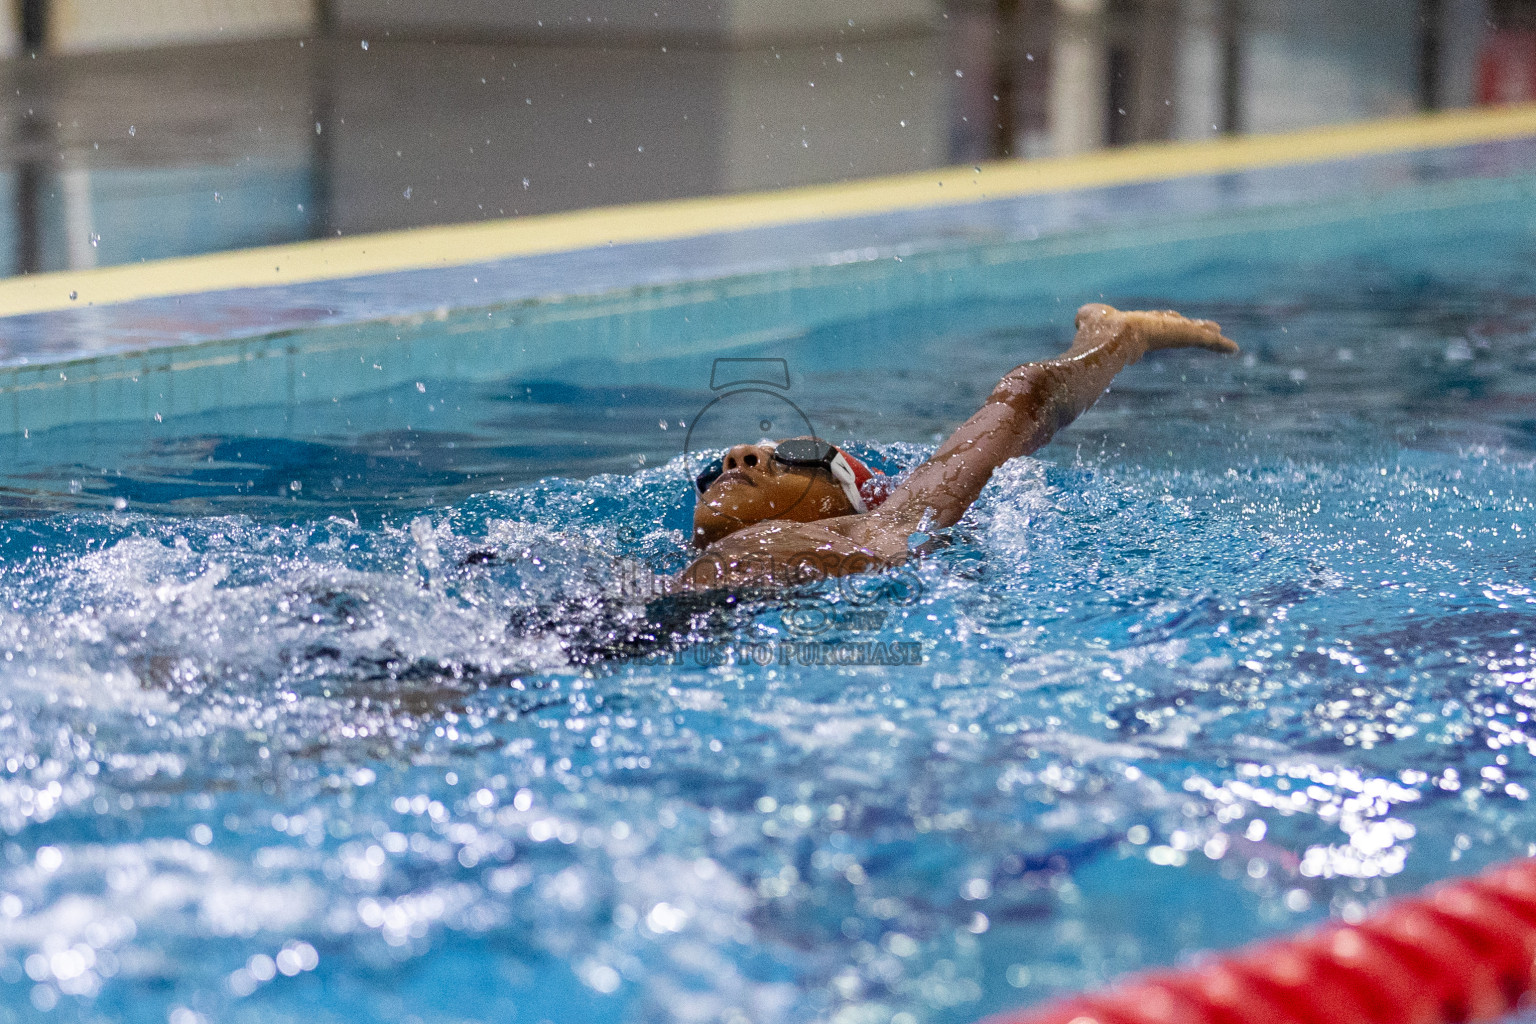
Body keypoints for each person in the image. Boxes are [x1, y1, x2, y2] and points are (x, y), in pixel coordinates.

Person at [675, 303, 1237, 591]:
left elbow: (1022, 401)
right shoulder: (655, 565)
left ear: (850, 503)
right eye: (719, 463)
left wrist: (1113, 337)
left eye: (798, 452)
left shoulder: (884, 528)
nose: (740, 454)